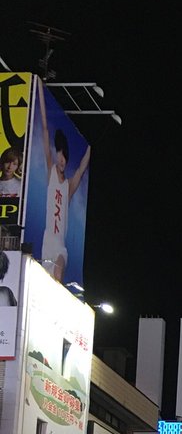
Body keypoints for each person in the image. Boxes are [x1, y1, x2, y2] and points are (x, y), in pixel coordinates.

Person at [36, 77, 91, 283]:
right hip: (47, 243)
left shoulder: (68, 187)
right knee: (48, 282)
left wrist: (91, 148)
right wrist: (39, 91)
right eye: (59, 155)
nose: (61, 159)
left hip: (60, 247)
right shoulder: (51, 173)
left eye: (64, 156)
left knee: (58, 275)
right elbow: (45, 130)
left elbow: (81, 169)